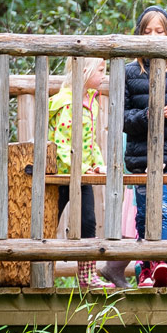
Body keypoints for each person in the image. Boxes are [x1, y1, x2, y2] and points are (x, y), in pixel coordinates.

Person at [115, 6, 167, 288]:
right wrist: (146, 115)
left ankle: (161, 266)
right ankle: (148, 269)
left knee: (166, 208)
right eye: (147, 32)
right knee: (145, 211)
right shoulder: (129, 71)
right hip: (141, 154)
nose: (153, 37)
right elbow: (122, 118)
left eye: (159, 32)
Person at [47, 58, 112, 289]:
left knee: (88, 222)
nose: (105, 75)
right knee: (48, 221)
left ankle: (87, 277)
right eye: (101, 71)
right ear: (85, 71)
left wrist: (97, 164)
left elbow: (90, 140)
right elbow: (61, 143)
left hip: (82, 175)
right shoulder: (68, 103)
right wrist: (78, 166)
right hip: (63, 176)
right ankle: (37, 269)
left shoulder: (91, 100)